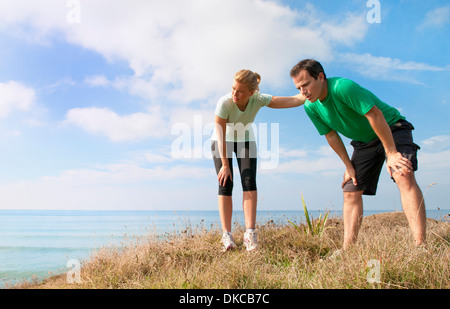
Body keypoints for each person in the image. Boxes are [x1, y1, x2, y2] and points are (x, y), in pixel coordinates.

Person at [289, 59, 426, 250]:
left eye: (305, 85)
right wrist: (348, 166)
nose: (302, 92)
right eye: (298, 88)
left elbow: (375, 115)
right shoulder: (310, 107)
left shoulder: (343, 87)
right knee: (350, 190)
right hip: (364, 142)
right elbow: (331, 135)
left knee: (403, 174)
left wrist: (392, 152)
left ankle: (420, 246)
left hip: (392, 128)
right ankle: (347, 250)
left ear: (320, 77)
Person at [212, 69, 305, 251]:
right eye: (233, 89)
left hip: (245, 140)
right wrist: (225, 164)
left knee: (249, 182)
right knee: (226, 183)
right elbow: (220, 134)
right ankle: (227, 235)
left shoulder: (258, 99)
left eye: (240, 91)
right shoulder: (224, 102)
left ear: (251, 93)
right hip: (222, 141)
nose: (235, 94)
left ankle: (250, 234)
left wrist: (305, 95)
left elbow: (286, 101)